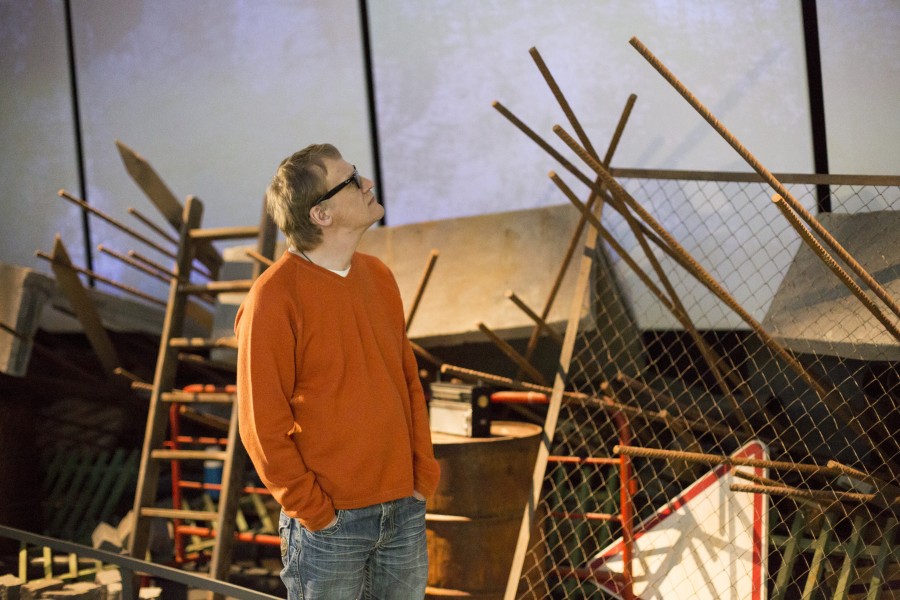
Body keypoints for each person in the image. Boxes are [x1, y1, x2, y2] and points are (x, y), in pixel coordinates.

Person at [235, 143, 441, 599]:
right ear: (321, 214)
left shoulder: (379, 276)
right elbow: (260, 427)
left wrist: (421, 476)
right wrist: (315, 511)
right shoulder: (272, 299)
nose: (367, 183)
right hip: (331, 524)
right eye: (350, 180)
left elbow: (408, 383)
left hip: (403, 509)